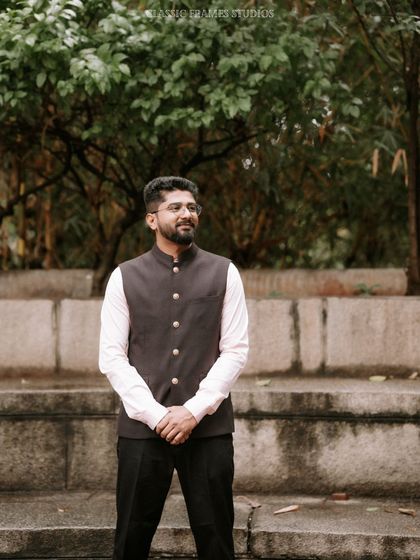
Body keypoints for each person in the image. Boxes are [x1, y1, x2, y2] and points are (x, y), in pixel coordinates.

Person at [99, 176, 248, 560]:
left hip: (209, 428)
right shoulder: (124, 277)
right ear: (151, 219)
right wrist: (156, 416)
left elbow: (234, 350)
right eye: (176, 207)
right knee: (131, 537)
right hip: (141, 429)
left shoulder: (225, 272)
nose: (187, 213)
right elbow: (112, 357)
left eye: (192, 207)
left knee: (217, 540)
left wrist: (193, 411)